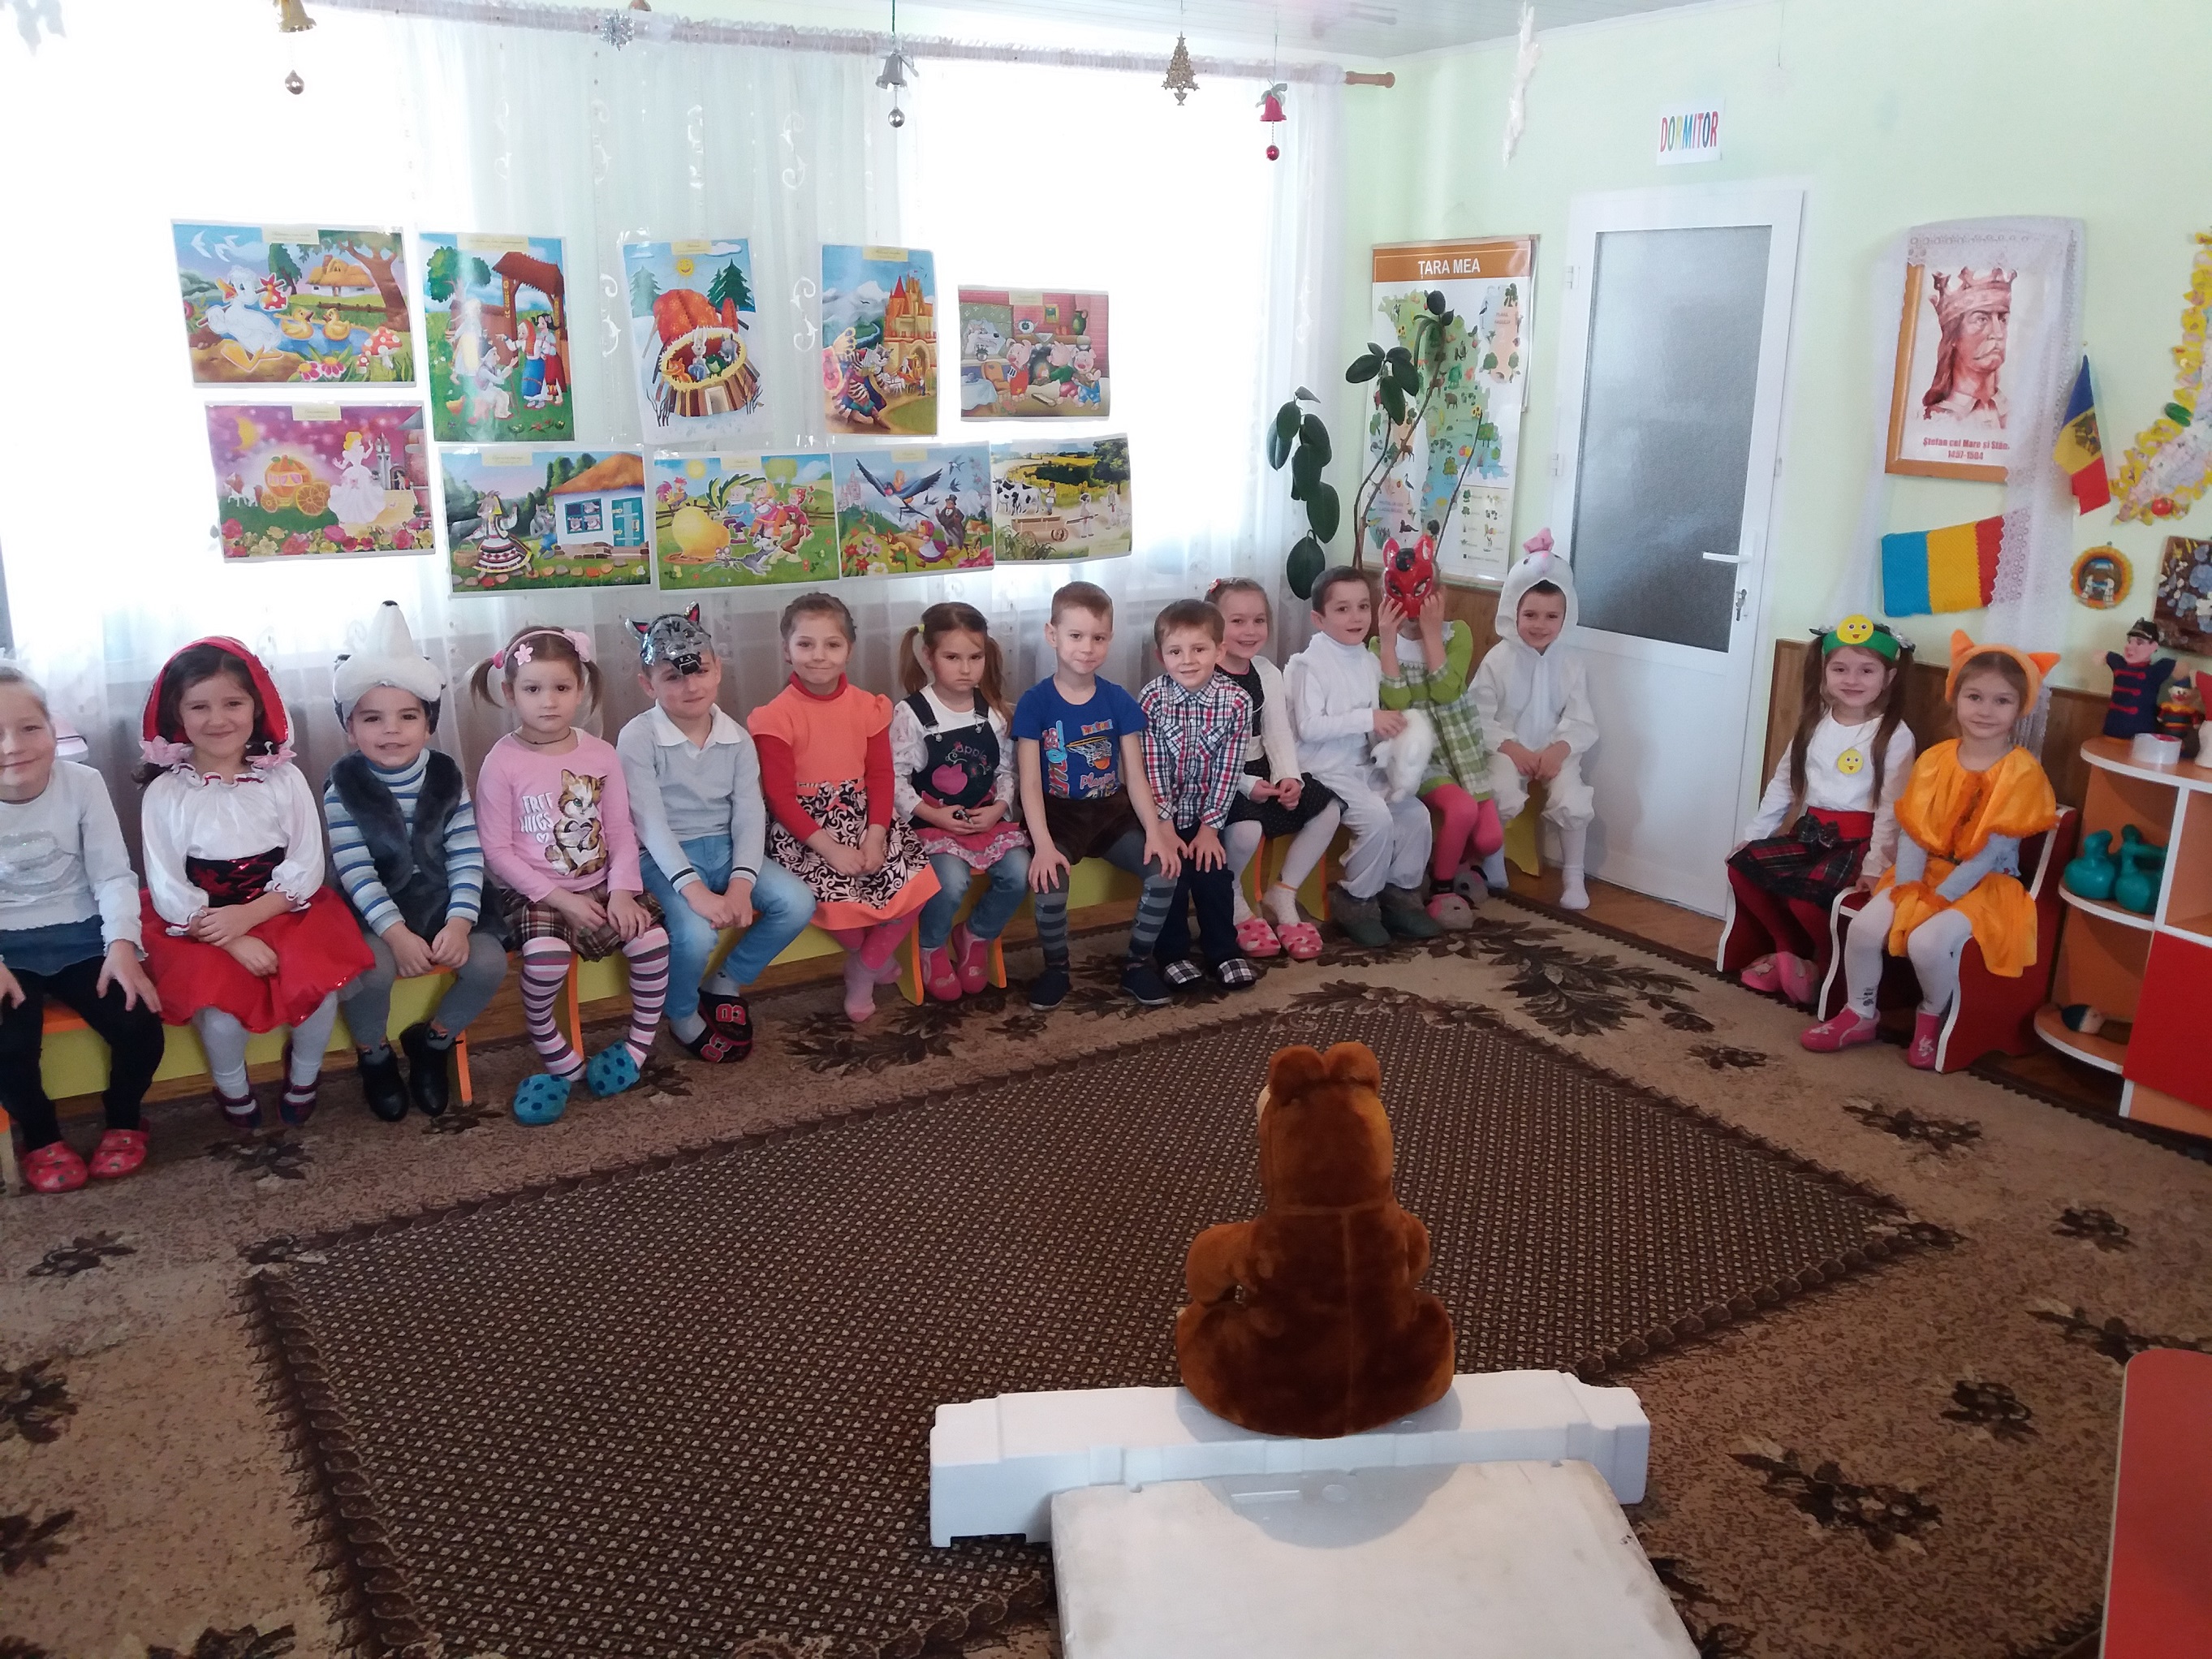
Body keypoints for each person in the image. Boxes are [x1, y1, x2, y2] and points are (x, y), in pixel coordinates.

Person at [137, 637, 373, 1130]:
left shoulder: (284, 780)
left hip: (283, 909)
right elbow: (166, 882)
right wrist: (231, 937)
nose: (217, 719)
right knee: (221, 1015)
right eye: (199, 706)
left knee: (319, 993)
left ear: (256, 707)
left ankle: (304, 1075)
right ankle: (232, 1088)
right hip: (203, 926)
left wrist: (251, 916)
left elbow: (307, 862)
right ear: (177, 713)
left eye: (233, 703)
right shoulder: (165, 793)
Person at [1802, 631, 2061, 1067]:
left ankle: (1930, 1017)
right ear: (1955, 698)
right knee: (1864, 928)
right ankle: (1860, 1013)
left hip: (1983, 884)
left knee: (1927, 943)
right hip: (1922, 873)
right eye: (1974, 697)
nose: (1985, 710)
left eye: (2002, 701)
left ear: (2021, 707)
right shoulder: (1936, 759)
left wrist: (1942, 897)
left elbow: (1992, 851)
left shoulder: (2022, 772)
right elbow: (1914, 829)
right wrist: (1908, 887)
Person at [472, 624, 670, 1124]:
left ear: (580, 689)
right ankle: (560, 1060)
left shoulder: (600, 753)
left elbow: (620, 829)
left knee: (651, 942)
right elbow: (496, 851)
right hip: (536, 894)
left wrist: (622, 892)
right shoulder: (501, 763)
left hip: (602, 885)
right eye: (532, 689)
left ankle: (636, 1051)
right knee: (546, 960)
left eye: (561, 687)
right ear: (510, 693)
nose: (548, 701)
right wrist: (561, 900)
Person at [325, 602, 509, 1123]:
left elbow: (467, 854)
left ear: (429, 724)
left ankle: (433, 1043)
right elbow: (356, 870)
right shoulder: (343, 787)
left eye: (408, 716)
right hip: (372, 908)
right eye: (372, 718)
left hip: (442, 899)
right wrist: (397, 935)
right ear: (350, 726)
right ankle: (373, 1054)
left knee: (488, 962)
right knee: (372, 971)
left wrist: (460, 921)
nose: (391, 731)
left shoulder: (447, 776)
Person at [617, 606, 813, 1061]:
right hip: (665, 856)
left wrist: (742, 884)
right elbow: (650, 823)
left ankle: (726, 982)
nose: (691, 686)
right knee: (696, 933)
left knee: (797, 902)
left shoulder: (737, 738)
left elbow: (749, 813)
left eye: (700, 671)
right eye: (673, 677)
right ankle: (681, 1010)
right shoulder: (638, 738)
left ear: (718, 669)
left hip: (726, 849)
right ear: (648, 684)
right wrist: (696, 893)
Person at [0, 665, 165, 1191]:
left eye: (30, 727)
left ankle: (124, 1117)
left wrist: (122, 945)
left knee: (139, 1022)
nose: (13, 746)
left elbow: (113, 875)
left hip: (83, 936)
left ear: (53, 729)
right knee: (7, 1044)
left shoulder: (83, 784)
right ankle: (41, 1134)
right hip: (6, 951)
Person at [748, 592, 938, 1024]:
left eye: (832, 644)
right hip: (807, 831)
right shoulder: (775, 717)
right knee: (835, 907)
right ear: (786, 650)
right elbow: (779, 796)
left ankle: (864, 969)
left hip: (869, 818)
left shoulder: (868, 707)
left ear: (849, 649)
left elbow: (881, 776)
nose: (819, 655)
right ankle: (869, 960)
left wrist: (876, 835)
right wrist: (831, 850)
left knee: (917, 889)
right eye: (805, 644)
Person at [1727, 618, 1917, 1007]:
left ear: (1889, 677)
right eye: (1840, 669)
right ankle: (1789, 951)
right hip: (1810, 833)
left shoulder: (1894, 735)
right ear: (1824, 672)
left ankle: (1829, 965)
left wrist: (1876, 864)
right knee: (1740, 865)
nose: (1852, 679)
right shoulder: (1813, 725)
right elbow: (1784, 784)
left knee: (1807, 899)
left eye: (1867, 671)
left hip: (1856, 843)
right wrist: (1756, 834)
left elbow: (1892, 809)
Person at [1012, 581, 1184, 1010]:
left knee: (1164, 870)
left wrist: (1155, 831)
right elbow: (1028, 783)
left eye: (1099, 637)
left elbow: (1136, 777)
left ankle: (1138, 965)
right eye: (1076, 635)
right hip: (1056, 816)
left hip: (1110, 812)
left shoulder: (1118, 700)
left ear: (1109, 639)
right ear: (1052, 635)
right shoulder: (1035, 702)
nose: (1087, 648)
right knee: (1050, 884)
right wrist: (1044, 846)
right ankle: (1056, 969)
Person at [1285, 567, 1440, 949]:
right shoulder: (1308, 665)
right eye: (1342, 609)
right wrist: (1369, 719)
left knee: (1416, 814)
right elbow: (1309, 728)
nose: (1355, 617)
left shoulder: (1367, 660)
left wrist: (1389, 735)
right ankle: (1356, 900)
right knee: (1377, 818)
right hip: (1322, 769)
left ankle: (1401, 893)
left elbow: (1372, 723)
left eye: (1363, 607)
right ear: (1319, 619)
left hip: (1362, 765)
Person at [890, 602, 1030, 1002]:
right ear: (929, 656)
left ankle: (975, 935)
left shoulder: (994, 711)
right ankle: (931, 946)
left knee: (1019, 873)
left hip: (985, 820)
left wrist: (999, 808)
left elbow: (1006, 771)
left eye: (975, 657)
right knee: (951, 882)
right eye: (953, 658)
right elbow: (895, 780)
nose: (966, 669)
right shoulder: (912, 713)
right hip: (932, 824)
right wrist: (934, 815)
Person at [1207, 577, 1338, 962]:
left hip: (1261, 767)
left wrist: (1288, 777)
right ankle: (1233, 895)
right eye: (1237, 621)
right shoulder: (1204, 673)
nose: (1250, 631)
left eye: (1259, 620)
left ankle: (1284, 892)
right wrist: (1247, 784)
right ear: (1213, 625)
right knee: (1246, 830)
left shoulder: (1266, 672)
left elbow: (1277, 734)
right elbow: (1206, 750)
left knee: (1328, 808)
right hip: (1219, 776)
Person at [1470, 536, 1598, 909]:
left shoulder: (1571, 662)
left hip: (1555, 748)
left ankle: (1573, 875)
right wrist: (1510, 747)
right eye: (1530, 615)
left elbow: (1580, 718)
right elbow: (1477, 714)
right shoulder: (1498, 660)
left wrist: (1560, 749)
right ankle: (1494, 863)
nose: (1540, 625)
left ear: (1565, 616)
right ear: (1513, 611)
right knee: (1498, 788)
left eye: (1551, 617)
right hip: (1507, 747)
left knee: (1573, 798)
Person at [1140, 599, 1258, 992]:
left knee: (1213, 875)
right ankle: (1172, 954)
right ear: (1161, 656)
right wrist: (1164, 827)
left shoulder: (1237, 703)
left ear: (1219, 652)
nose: (1187, 660)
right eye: (1175, 652)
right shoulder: (1152, 700)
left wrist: (1210, 829)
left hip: (1210, 812)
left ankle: (1223, 951)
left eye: (1199, 649)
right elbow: (1152, 768)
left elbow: (1228, 771)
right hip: (1163, 815)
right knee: (1170, 872)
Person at [1375, 585, 1503, 929]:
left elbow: (1447, 691)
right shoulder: (1379, 646)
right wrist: (1387, 643)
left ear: (1439, 593)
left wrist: (1432, 635)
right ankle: (1441, 890)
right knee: (1462, 809)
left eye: (1421, 590)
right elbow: (1397, 704)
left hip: (1461, 749)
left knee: (1490, 839)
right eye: (1398, 592)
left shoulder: (1458, 633)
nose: (1411, 603)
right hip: (1420, 755)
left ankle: (1455, 863)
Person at [2102, 618, 2175, 739]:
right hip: (2111, 730)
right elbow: (2107, 656)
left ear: (2153, 647)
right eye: (2129, 641)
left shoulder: (2156, 670)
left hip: (2141, 734)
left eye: (2139, 642)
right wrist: (2104, 655)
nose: (2130, 647)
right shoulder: (2118, 664)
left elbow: (2182, 668)